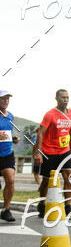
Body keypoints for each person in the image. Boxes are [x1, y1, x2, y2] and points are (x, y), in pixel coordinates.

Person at [34, 89, 71, 217]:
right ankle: (42, 204)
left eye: (67, 97)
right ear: (57, 99)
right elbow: (41, 132)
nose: (65, 100)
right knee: (46, 181)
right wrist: (38, 152)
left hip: (64, 151)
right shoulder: (50, 114)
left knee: (69, 177)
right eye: (63, 97)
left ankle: (67, 206)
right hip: (49, 152)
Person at [0, 91, 19, 222]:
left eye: (7, 99)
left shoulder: (10, 116)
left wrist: (13, 139)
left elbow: (6, 134)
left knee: (10, 180)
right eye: (3, 99)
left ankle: (6, 210)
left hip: (7, 153)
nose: (6, 101)